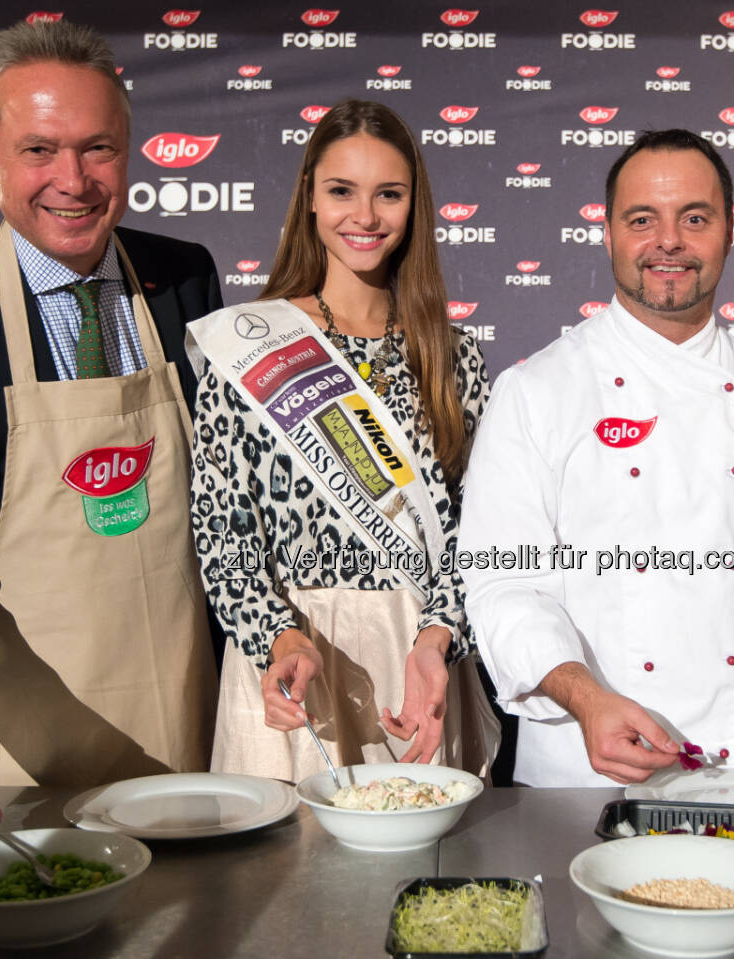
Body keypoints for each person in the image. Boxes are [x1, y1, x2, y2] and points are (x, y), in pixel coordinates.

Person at [0, 20, 222, 832]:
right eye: (38, 150)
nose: (74, 179)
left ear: (129, 151)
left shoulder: (184, 277)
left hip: (196, 736)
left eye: (98, 148)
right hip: (23, 759)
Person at [457, 130, 734, 787]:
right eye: (642, 219)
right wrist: (587, 700)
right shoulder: (537, 391)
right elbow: (503, 580)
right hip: (585, 777)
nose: (669, 241)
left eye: (694, 218)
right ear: (609, 235)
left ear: (730, 233)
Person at [187, 99, 499, 782]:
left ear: (414, 205)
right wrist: (275, 635)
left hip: (418, 661)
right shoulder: (246, 346)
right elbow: (223, 532)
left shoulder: (452, 356)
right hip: (293, 657)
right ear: (308, 198)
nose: (365, 216)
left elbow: (480, 531)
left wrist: (437, 637)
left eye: (388, 194)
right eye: (341, 191)